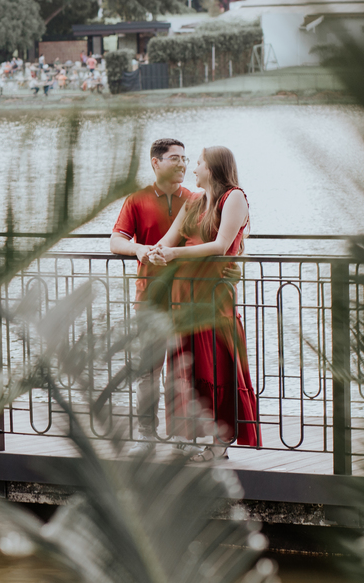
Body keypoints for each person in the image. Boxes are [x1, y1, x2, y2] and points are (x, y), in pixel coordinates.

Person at [149, 146, 261, 461]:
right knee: (188, 367)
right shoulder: (193, 202)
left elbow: (221, 246)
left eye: (197, 163)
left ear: (212, 168)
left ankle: (219, 442)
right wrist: (154, 251)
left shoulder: (233, 198)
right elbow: (168, 240)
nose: (193, 168)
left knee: (216, 365)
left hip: (213, 296)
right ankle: (189, 437)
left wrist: (175, 254)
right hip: (184, 296)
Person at [111, 139, 195, 440]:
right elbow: (116, 241)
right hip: (150, 298)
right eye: (175, 158)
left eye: (185, 158)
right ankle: (146, 434)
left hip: (188, 298)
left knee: (184, 370)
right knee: (149, 369)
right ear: (155, 163)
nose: (182, 164)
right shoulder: (137, 199)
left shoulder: (194, 199)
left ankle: (182, 437)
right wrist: (138, 249)